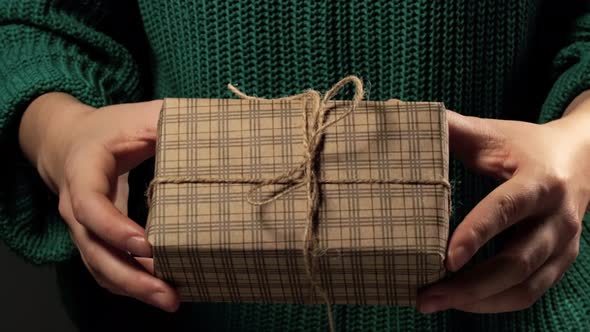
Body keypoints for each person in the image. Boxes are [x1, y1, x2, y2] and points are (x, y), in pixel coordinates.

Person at [1, 0, 590, 331]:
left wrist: (578, 141)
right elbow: (29, 22)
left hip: (519, 304)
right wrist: (63, 133)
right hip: (175, 313)